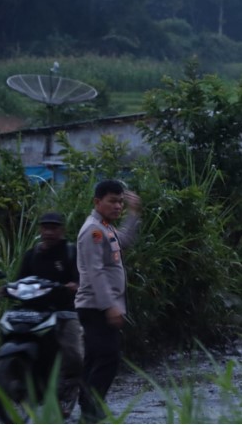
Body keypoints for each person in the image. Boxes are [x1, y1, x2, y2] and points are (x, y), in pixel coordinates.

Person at [75, 179, 141, 422]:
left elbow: (123, 241)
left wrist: (133, 214)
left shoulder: (104, 227)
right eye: (112, 201)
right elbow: (95, 272)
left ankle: (88, 407)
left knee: (95, 357)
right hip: (96, 306)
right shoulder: (92, 230)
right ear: (97, 202)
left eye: (120, 202)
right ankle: (91, 409)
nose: (117, 207)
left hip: (99, 306)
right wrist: (110, 306)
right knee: (108, 357)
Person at [16, 211, 83, 417]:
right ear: (40, 230)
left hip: (65, 312)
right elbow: (20, 280)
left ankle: (68, 392)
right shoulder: (32, 255)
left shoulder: (71, 253)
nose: (49, 232)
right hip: (36, 313)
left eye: (54, 228)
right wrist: (8, 288)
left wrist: (74, 285)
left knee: (75, 355)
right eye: (46, 228)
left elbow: (80, 280)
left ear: (62, 230)